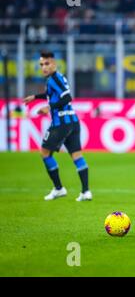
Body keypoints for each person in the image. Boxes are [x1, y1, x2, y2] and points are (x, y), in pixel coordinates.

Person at [23, 51, 91, 201]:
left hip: (61, 123)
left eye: (47, 64)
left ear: (54, 63)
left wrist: (49, 107)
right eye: (41, 64)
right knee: (77, 156)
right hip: (73, 121)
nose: (44, 67)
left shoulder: (54, 79)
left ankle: (59, 189)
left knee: (45, 153)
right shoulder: (57, 78)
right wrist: (35, 97)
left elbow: (67, 97)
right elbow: (51, 94)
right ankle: (86, 192)